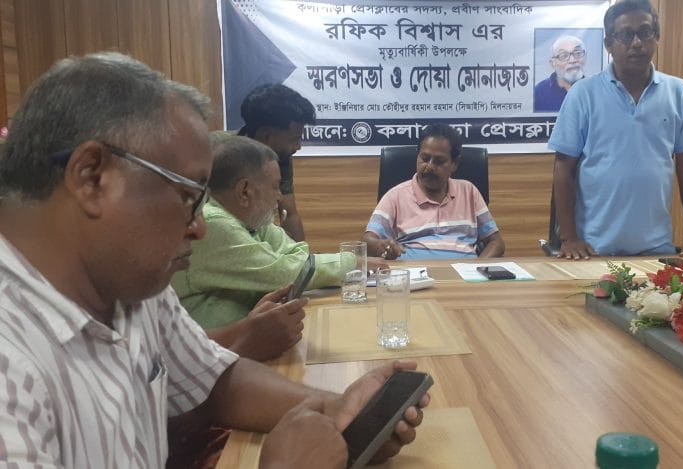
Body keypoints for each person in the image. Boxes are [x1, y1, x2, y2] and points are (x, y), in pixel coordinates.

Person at [0, 52, 426, 467]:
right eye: (188, 196)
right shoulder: (11, 367)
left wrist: (337, 411)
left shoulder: (128, 286)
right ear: (92, 177)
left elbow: (215, 380)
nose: (200, 228)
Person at [171, 133, 386, 360]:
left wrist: (295, 263)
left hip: (242, 351)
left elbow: (298, 254)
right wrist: (352, 262)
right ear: (245, 191)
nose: (280, 197)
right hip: (205, 361)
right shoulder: (212, 223)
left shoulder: (249, 218)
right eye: (275, 187)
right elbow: (285, 272)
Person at [548, 0, 683, 261]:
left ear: (656, 37)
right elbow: (563, 169)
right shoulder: (583, 94)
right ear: (608, 44)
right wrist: (569, 238)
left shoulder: (679, 92)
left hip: (656, 249)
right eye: (626, 35)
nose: (637, 43)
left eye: (645, 32)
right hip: (593, 250)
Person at [364, 124, 505, 260]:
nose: (430, 166)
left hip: (463, 274)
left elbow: (496, 242)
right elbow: (367, 241)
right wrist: (381, 246)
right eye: (425, 159)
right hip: (413, 273)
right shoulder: (395, 196)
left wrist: (476, 268)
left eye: (439, 161)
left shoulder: (469, 192)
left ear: (454, 164)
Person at [238, 83, 314, 241]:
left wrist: (302, 254)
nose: (298, 147)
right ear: (266, 136)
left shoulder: (280, 159)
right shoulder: (218, 156)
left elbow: (289, 214)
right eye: (294, 139)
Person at [534, 35, 587, 112]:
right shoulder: (538, 93)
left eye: (578, 53)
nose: (572, 60)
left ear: (585, 56)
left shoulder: (595, 90)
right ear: (552, 63)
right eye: (563, 56)